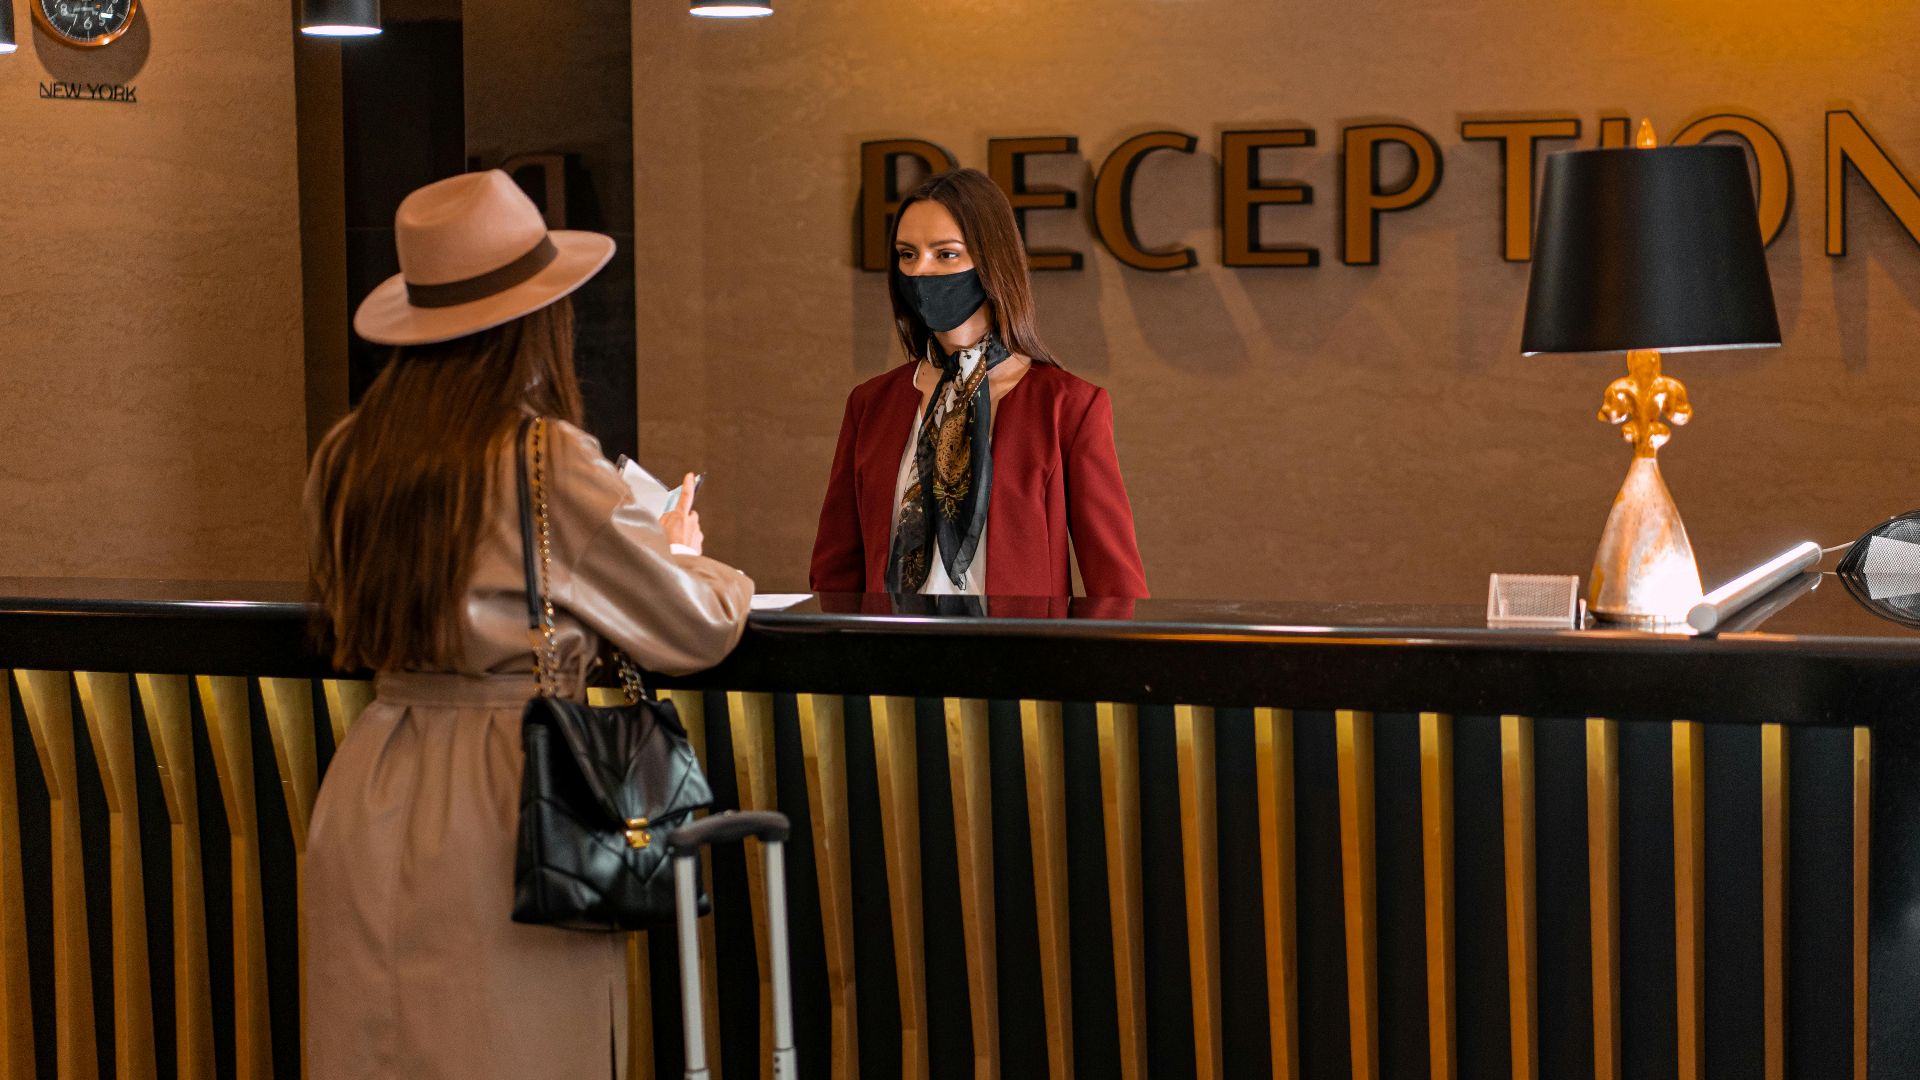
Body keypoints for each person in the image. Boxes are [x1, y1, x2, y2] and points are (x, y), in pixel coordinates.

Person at [302, 170, 753, 1080]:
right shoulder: (546, 457)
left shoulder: (348, 454)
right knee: (515, 1045)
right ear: (535, 319)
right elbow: (698, 626)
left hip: (371, 777)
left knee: (372, 1042)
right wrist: (689, 553)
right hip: (511, 793)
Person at [809, 167, 1148, 599]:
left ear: (991, 260)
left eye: (946, 254)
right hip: (889, 657)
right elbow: (836, 568)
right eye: (907, 254)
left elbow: (1115, 583)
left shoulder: (1068, 407)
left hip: (1014, 660)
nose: (920, 271)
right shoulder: (871, 404)